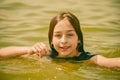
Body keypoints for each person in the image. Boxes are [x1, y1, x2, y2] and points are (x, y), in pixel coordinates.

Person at [0, 12, 120, 68]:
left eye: (70, 35)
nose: (63, 41)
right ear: (51, 40)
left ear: (78, 38)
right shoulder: (47, 55)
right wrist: (29, 49)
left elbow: (112, 62)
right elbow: (2, 54)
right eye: (58, 35)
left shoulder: (89, 59)